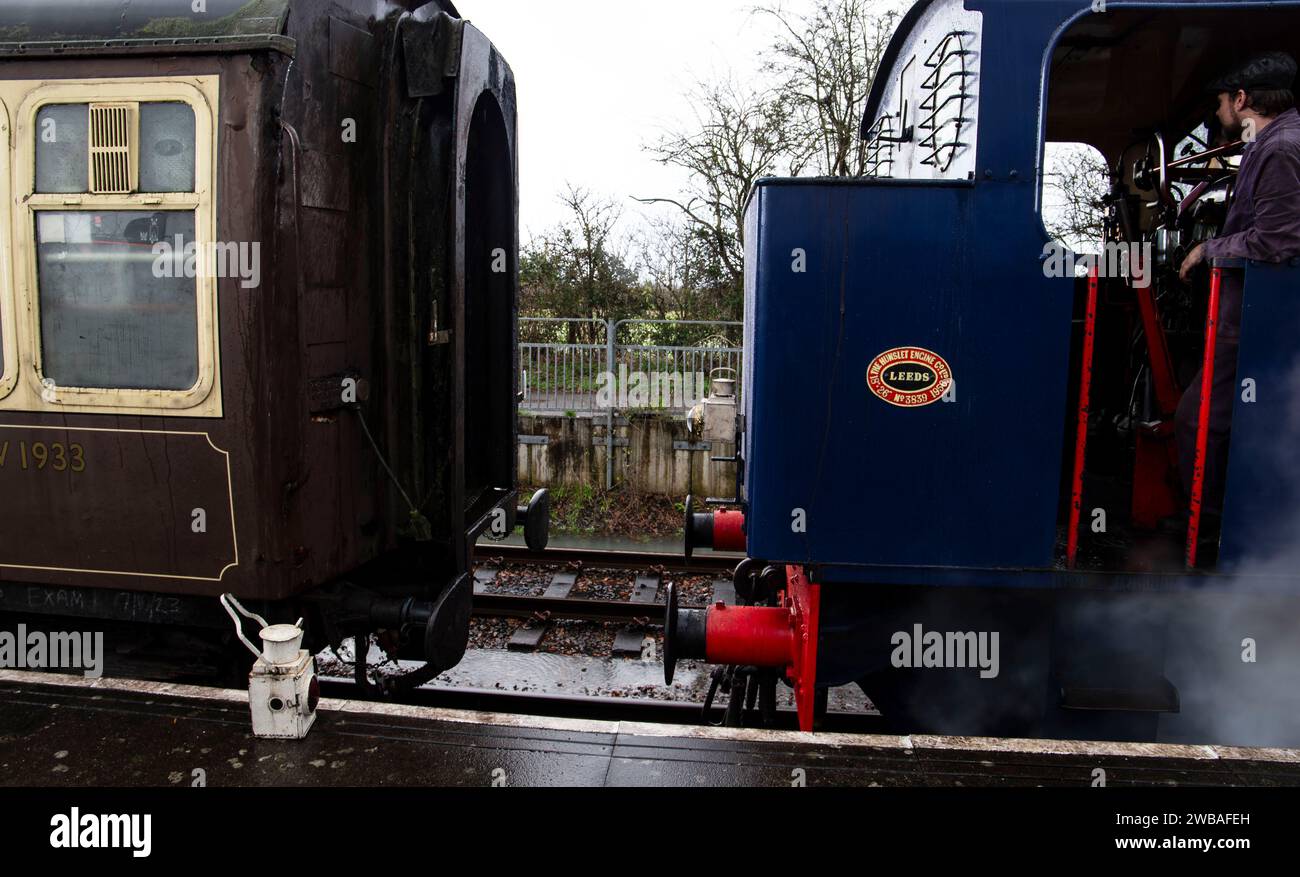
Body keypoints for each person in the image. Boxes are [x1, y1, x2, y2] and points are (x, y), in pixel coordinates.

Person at [1176, 51, 1300, 516]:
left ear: (1243, 98)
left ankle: (1201, 531)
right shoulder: (1269, 145)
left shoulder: (1283, 147)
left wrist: (1208, 250)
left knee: (1198, 418)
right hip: (1246, 312)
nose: (1216, 112)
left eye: (1221, 101)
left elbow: (1277, 241)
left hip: (1257, 315)